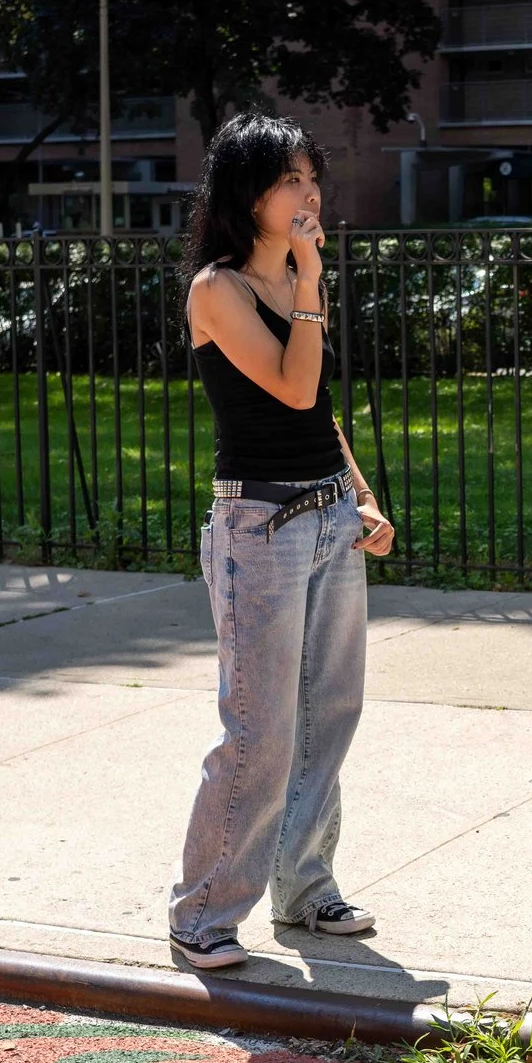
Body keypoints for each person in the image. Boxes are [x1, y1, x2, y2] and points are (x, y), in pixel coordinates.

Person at [169, 115, 397, 970]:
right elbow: (295, 389)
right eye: (291, 179)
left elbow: (320, 419)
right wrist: (308, 279)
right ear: (247, 193)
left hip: (329, 516)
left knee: (327, 715)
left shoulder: (300, 284)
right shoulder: (217, 290)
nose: (310, 195)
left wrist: (362, 496)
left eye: (313, 177)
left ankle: (304, 888)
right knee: (260, 727)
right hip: (257, 526)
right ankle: (202, 911)